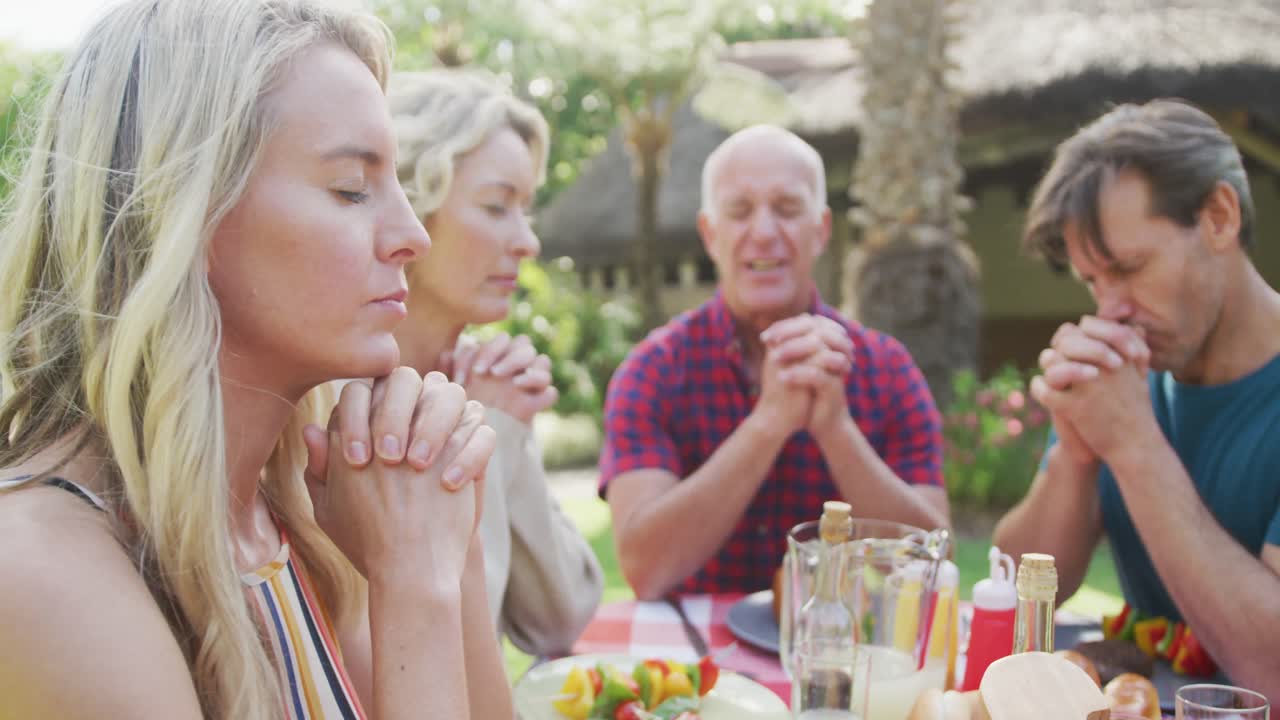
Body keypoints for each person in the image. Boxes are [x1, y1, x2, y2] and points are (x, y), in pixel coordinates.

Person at [0, 1, 511, 718]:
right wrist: (417, 589)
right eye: (350, 189)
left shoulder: (290, 526)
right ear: (183, 213)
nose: (409, 234)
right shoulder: (44, 579)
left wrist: (450, 552)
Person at [993, 99, 1280, 700]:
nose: (1110, 308)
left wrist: (1133, 445)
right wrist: (1074, 454)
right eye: (1093, 281)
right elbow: (1013, 587)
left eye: (1128, 268)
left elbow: (1273, 671)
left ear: (1219, 217)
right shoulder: (1128, 377)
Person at [600, 124, 950, 600]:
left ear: (821, 230)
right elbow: (644, 568)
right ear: (709, 233)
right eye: (739, 211)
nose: (763, 233)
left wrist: (836, 429)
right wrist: (768, 423)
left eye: (786, 209)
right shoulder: (653, 371)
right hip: (696, 664)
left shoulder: (885, 369)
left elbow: (933, 564)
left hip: (834, 653)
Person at [387, 69, 603, 655]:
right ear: (410, 205)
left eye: (525, 209)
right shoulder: (341, 403)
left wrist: (500, 430)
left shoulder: (477, 381)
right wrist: (487, 428)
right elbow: (446, 656)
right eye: (496, 206)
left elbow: (560, 619)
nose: (528, 241)